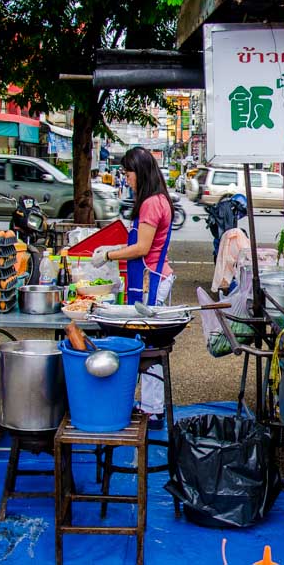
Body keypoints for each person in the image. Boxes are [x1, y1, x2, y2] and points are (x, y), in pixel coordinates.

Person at [92, 146, 175, 428]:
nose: (126, 178)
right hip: (156, 277)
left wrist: (107, 255)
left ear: (139, 172)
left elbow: (141, 248)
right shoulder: (159, 198)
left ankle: (153, 410)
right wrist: (114, 247)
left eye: (127, 172)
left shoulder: (152, 203)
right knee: (151, 342)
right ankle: (152, 406)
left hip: (153, 280)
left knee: (150, 346)